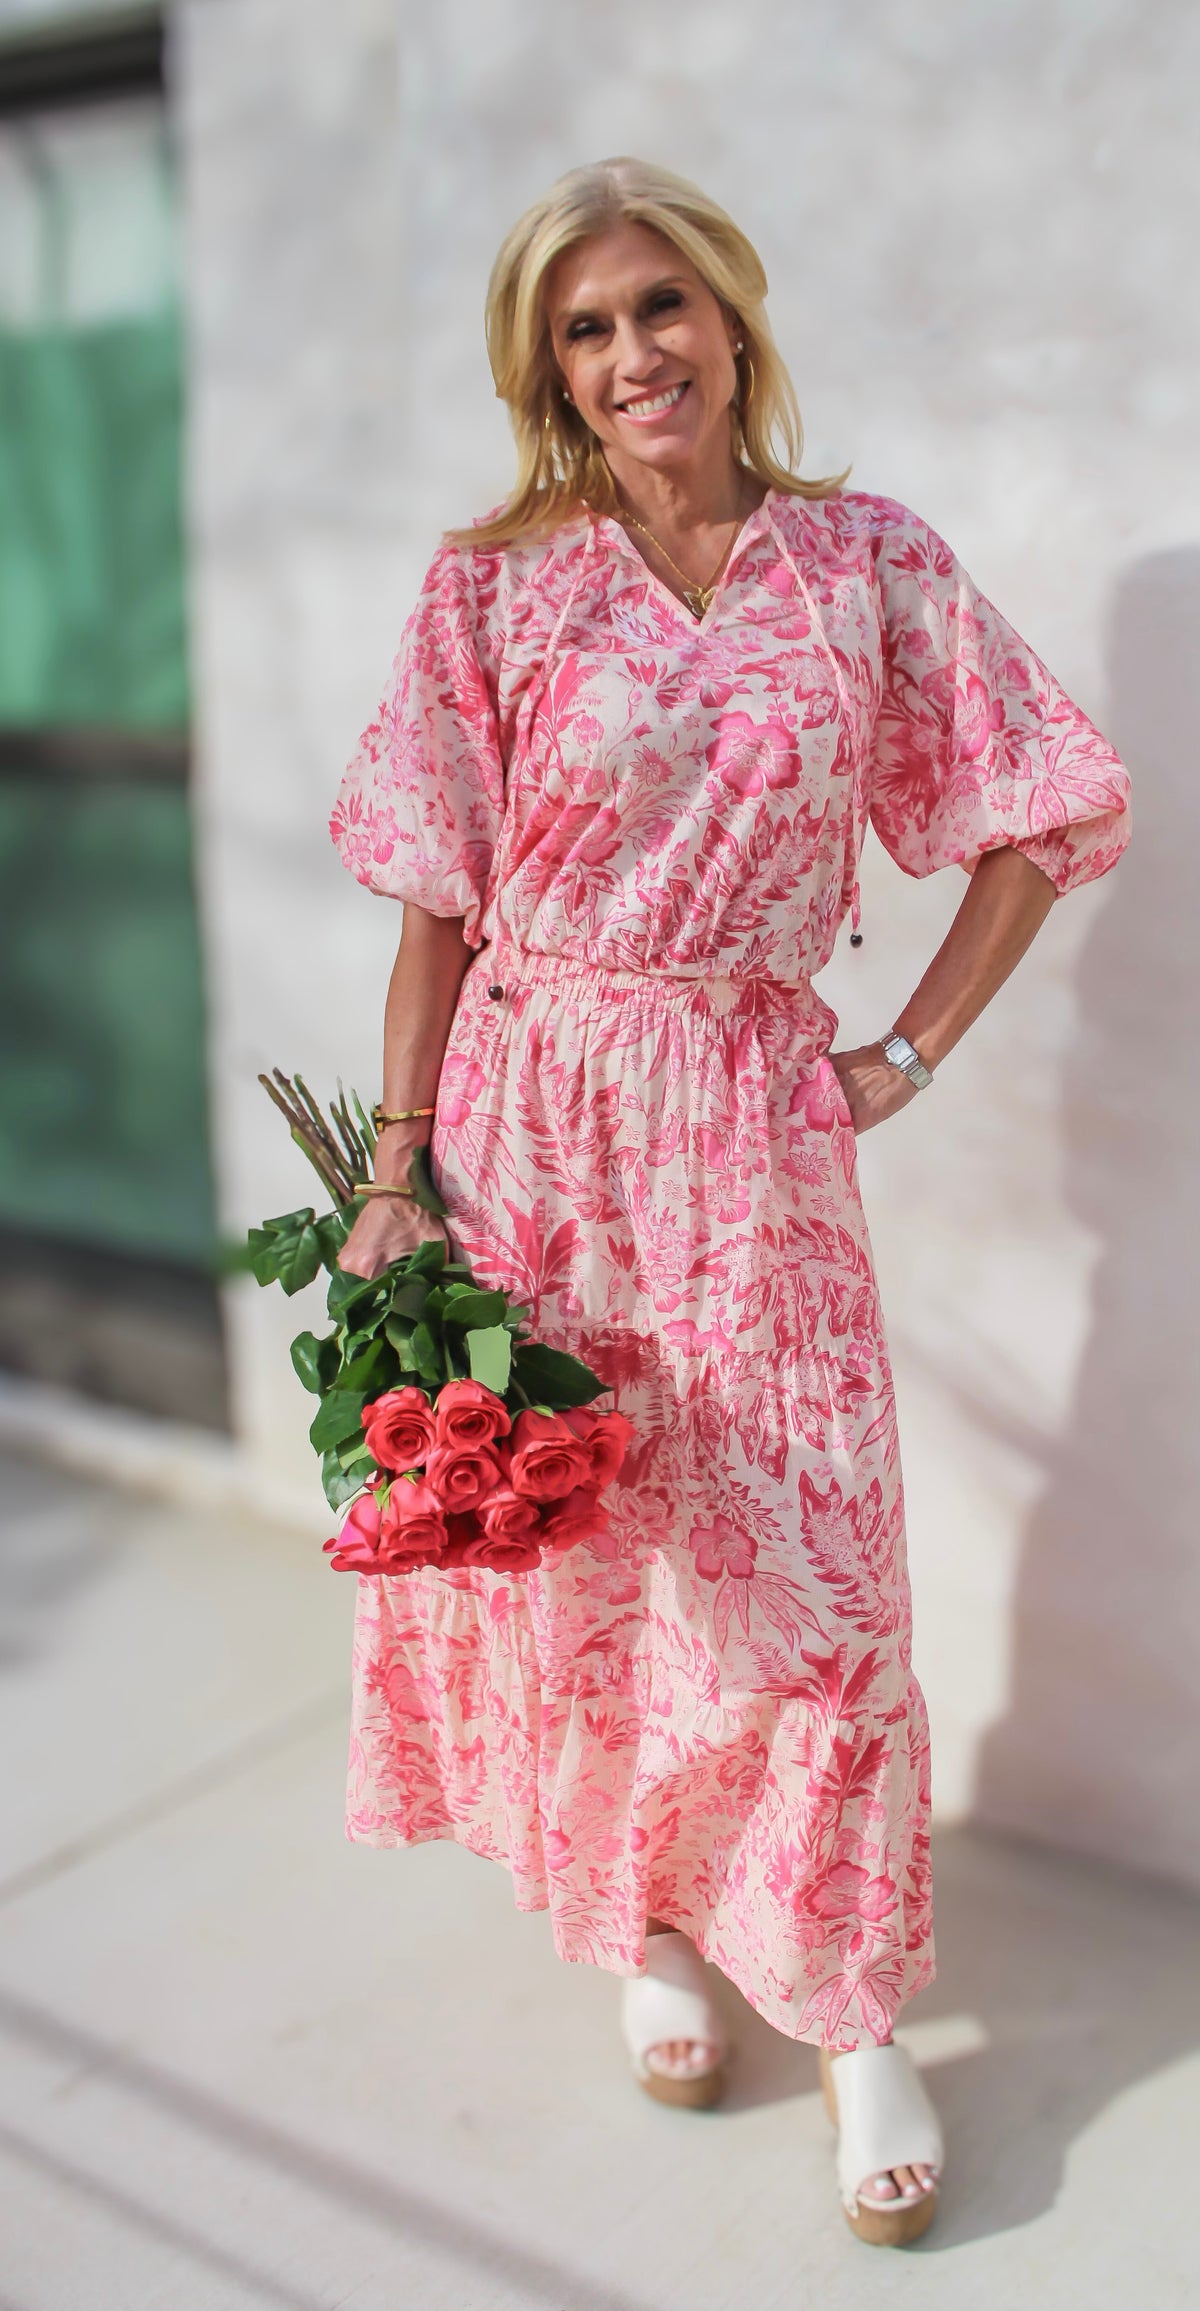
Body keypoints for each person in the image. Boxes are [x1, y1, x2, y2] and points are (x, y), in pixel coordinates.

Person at [330, 156, 1130, 2247]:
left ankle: (857, 2005)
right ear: (550, 374)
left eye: (659, 309)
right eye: (586, 332)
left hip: (754, 1125)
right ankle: (653, 1927)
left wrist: (909, 1050)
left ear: (734, 317)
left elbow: (1039, 808)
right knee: (594, 1563)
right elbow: (431, 888)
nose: (632, 357)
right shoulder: (495, 583)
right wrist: (397, 1172)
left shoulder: (865, 566)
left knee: (816, 1570)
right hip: (534, 1114)